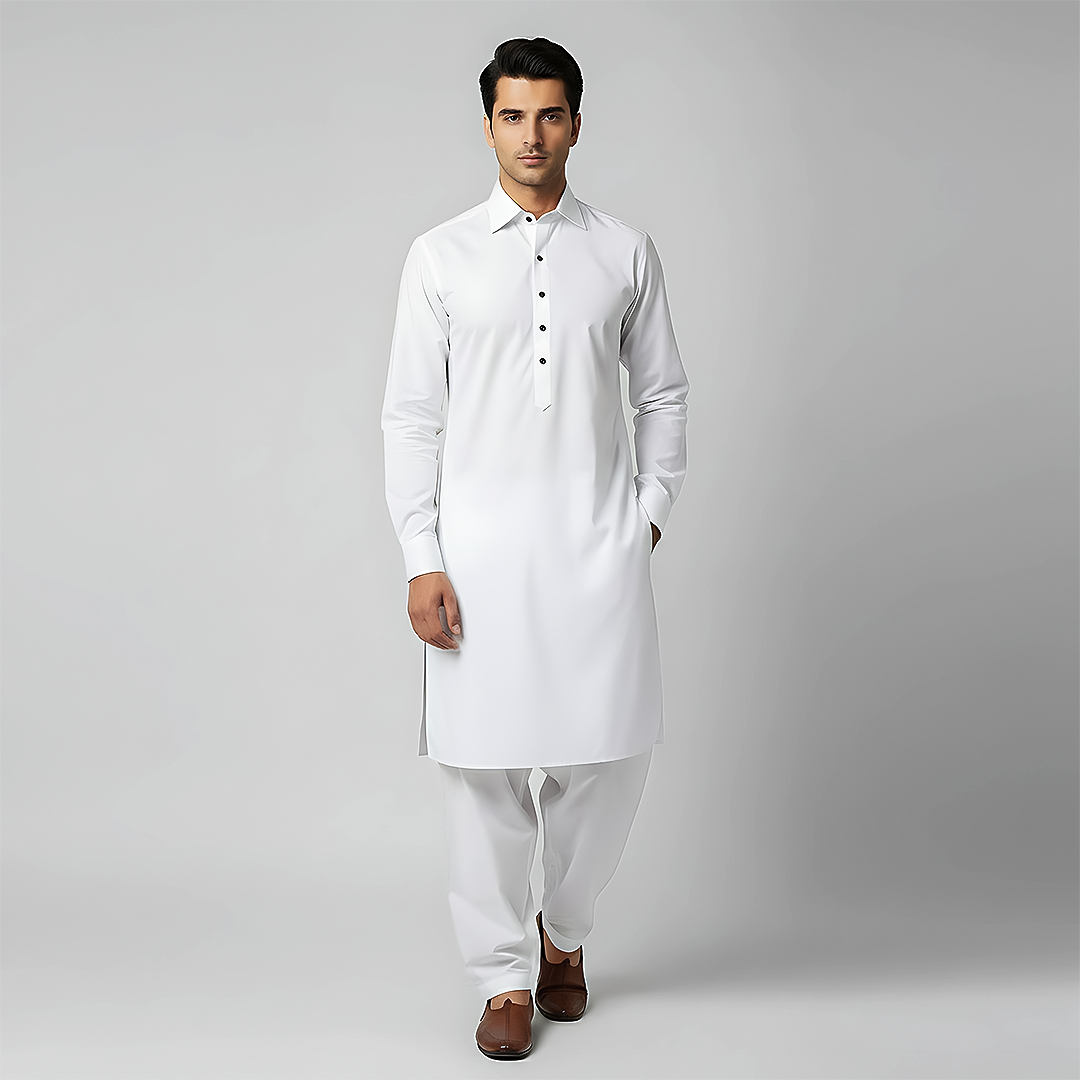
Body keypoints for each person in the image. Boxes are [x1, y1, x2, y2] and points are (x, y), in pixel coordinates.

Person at [381, 36, 689, 1060]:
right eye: (512, 115)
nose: (531, 135)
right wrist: (422, 555)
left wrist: (646, 512)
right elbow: (410, 416)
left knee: (611, 756)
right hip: (477, 558)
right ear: (488, 127)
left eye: (549, 114)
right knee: (483, 773)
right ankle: (503, 980)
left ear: (576, 124)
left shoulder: (624, 251)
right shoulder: (440, 256)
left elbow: (663, 393)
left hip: (597, 551)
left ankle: (566, 931)